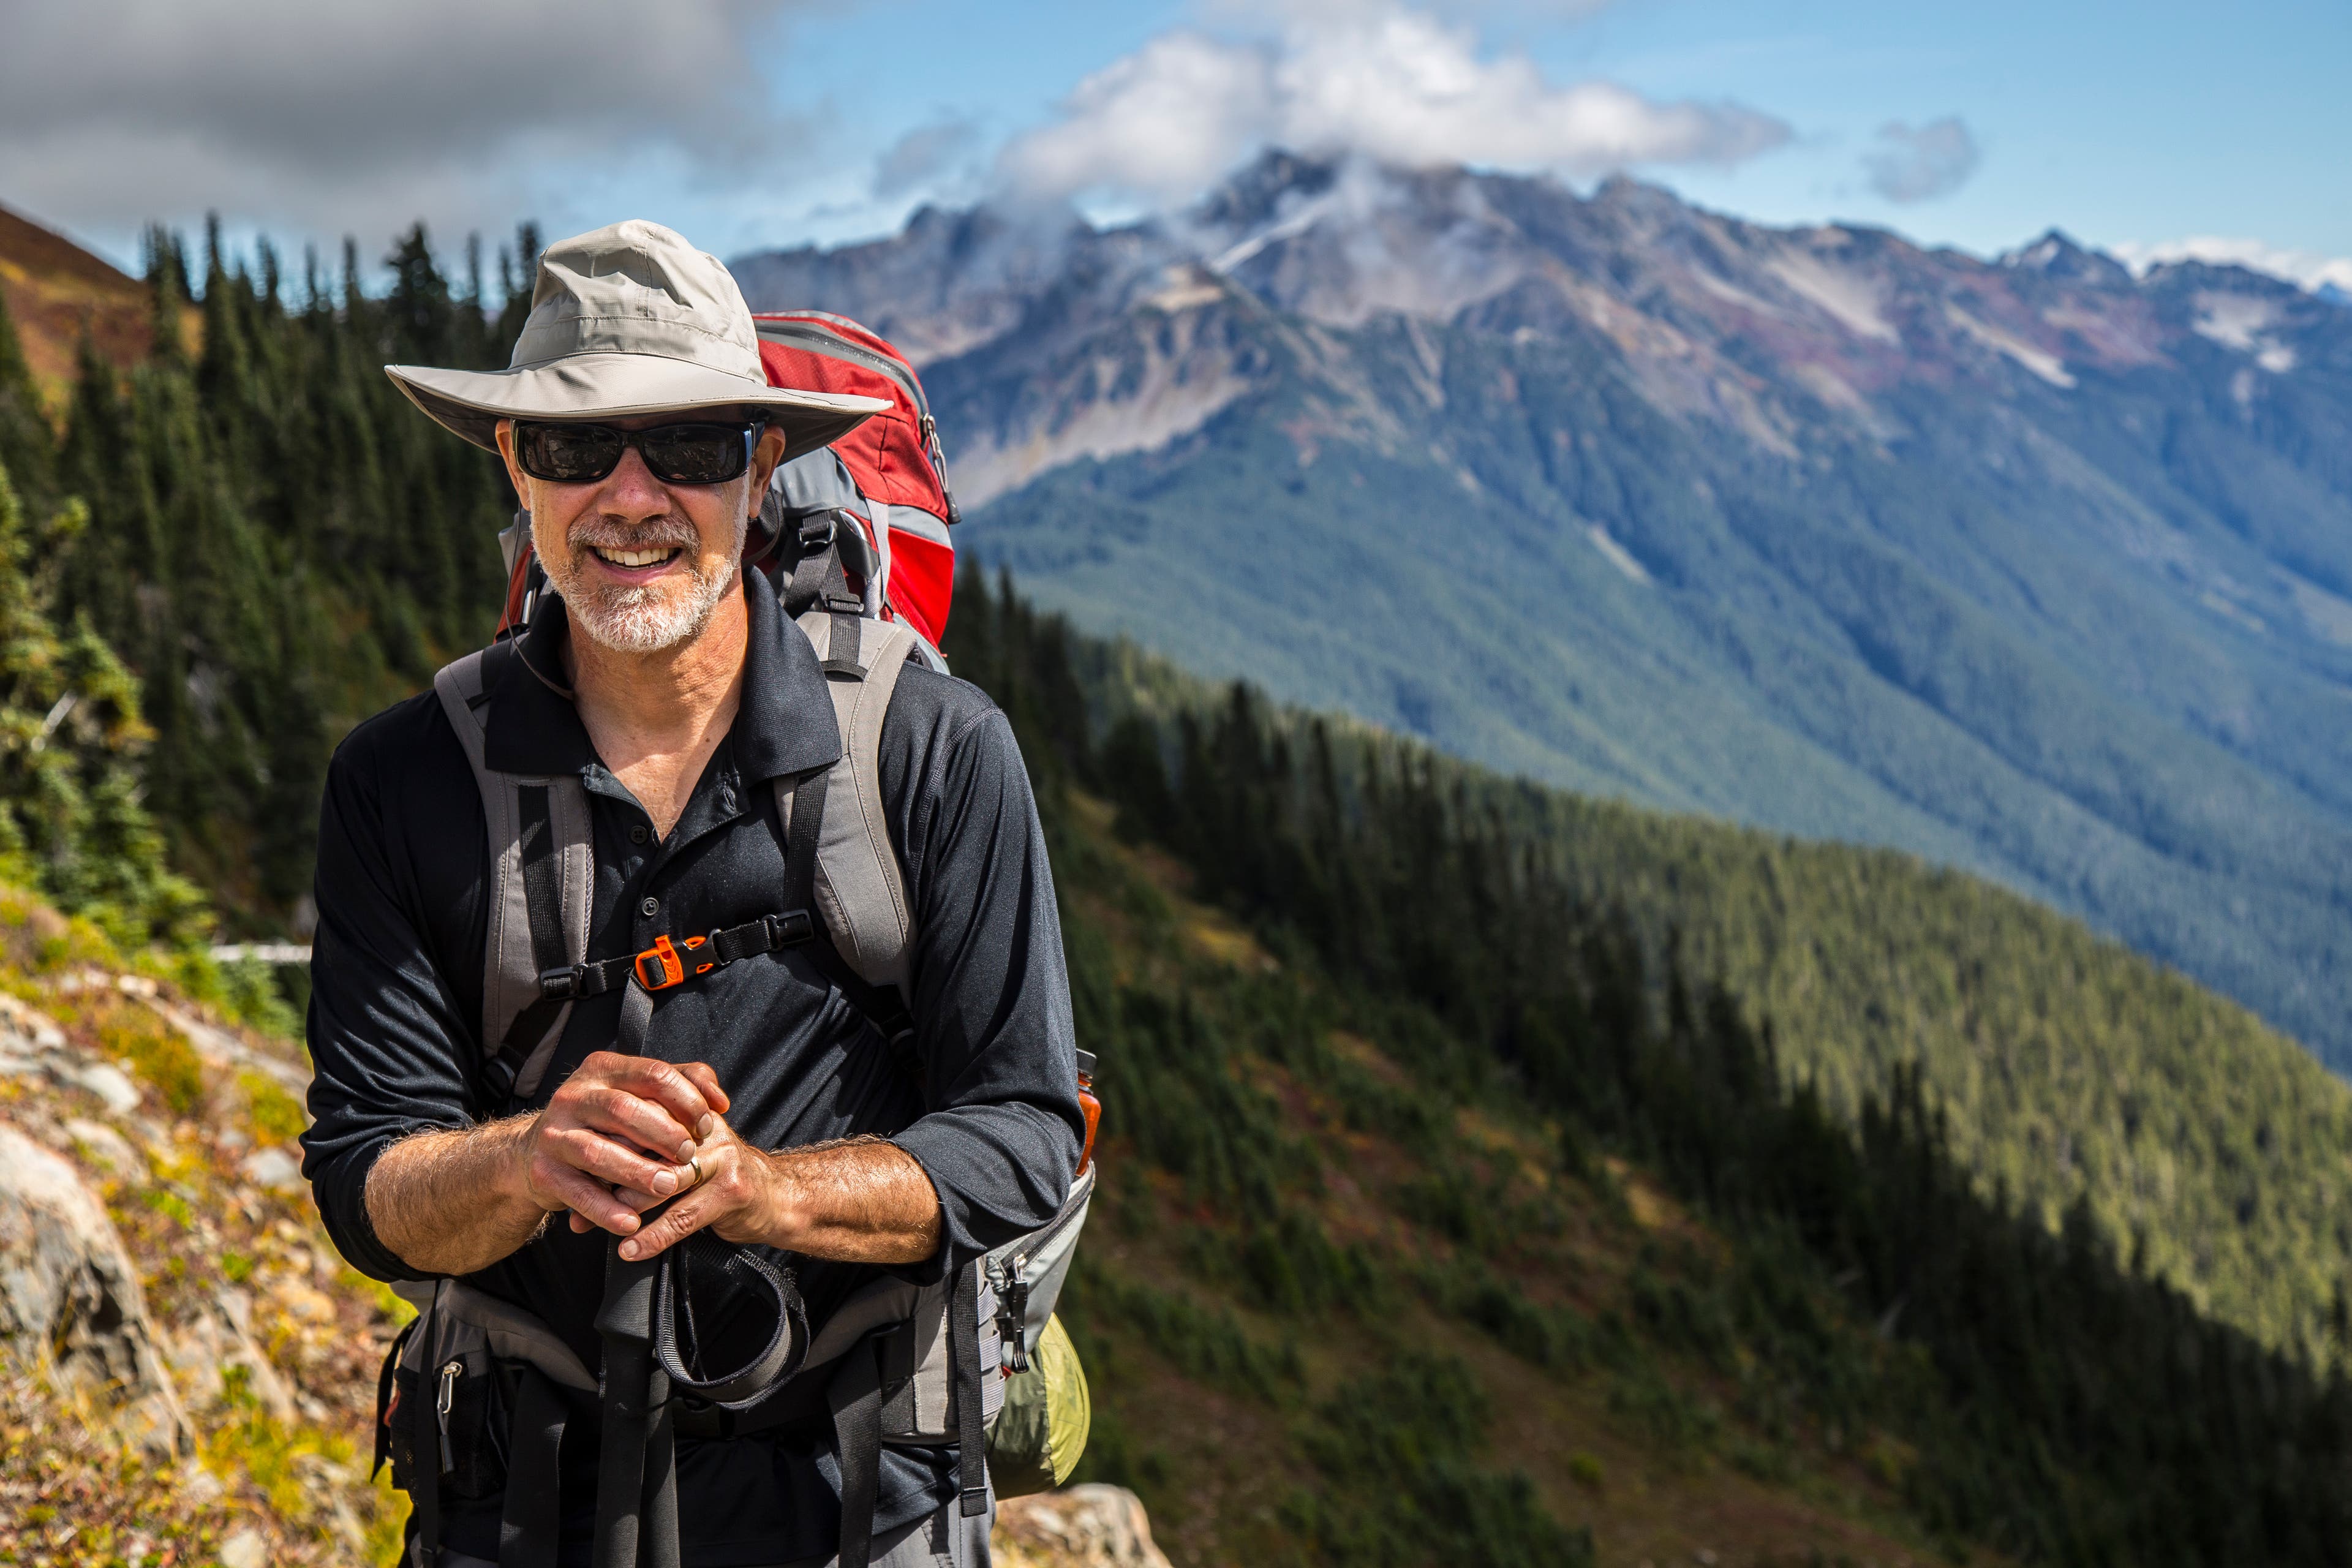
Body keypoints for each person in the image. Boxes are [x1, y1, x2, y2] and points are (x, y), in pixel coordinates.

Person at [299, 221, 1083, 1567]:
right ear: (515, 464)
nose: (630, 494)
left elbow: (1026, 1129)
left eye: (692, 447)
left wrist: (768, 1189)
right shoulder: (401, 780)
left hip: (854, 1499)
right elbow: (366, 1173)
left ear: (761, 463)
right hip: (517, 1501)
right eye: (573, 447)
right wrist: (531, 1154)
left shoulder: (935, 750)